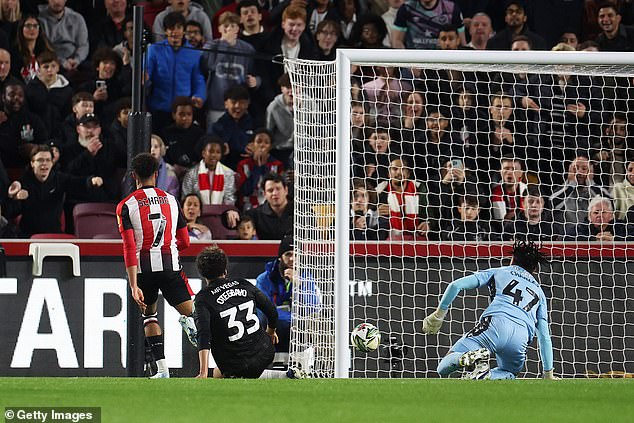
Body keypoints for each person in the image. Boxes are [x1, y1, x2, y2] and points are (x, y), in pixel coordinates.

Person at [422, 239, 560, 380]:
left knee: (443, 367)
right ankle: (486, 375)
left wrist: (438, 315)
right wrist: (548, 373)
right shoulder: (540, 292)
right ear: (535, 269)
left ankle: (466, 358)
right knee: (510, 373)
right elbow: (544, 336)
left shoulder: (499, 272)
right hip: (521, 338)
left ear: (512, 260)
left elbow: (455, 285)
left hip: (495, 326)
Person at [116, 152, 198, 379]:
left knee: (149, 317)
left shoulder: (125, 205)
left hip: (143, 270)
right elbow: (185, 242)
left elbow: (129, 247)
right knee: (194, 314)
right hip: (169, 265)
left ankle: (162, 370)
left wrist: (134, 285)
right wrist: (168, 248)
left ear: (133, 176)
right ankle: (192, 327)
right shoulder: (171, 201)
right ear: (156, 173)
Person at [193, 245, 279, 378]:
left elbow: (204, 334)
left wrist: (203, 372)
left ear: (202, 274)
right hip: (266, 352)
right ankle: (280, 375)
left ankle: (271, 376)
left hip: (236, 365)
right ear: (225, 270)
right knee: (246, 367)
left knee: (217, 373)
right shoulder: (242, 283)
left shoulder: (203, 298)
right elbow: (272, 311)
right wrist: (271, 332)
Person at [4, 144, 103, 237]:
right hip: (27, 236)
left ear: (52, 163)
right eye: (40, 160)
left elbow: (76, 183)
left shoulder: (59, 179)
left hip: (53, 235)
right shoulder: (23, 182)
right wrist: (16, 199)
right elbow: (10, 212)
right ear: (32, 163)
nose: (44, 164)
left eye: (48, 160)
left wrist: (91, 181)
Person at [255, 234, 320, 354]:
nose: (292, 259)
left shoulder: (306, 278)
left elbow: (312, 308)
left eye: (295, 254)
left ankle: (321, 367)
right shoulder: (264, 279)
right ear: (280, 257)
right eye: (288, 254)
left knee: (317, 322)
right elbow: (263, 312)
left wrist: (298, 285)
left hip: (299, 328)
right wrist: (292, 318)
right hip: (273, 327)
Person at [146, 11, 206, 133]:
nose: (174, 32)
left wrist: (199, 96)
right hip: (159, 108)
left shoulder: (194, 53)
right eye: (171, 28)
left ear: (184, 30)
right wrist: (144, 77)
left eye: (178, 27)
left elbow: (198, 79)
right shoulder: (154, 50)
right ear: (165, 31)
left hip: (183, 111)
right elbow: (146, 72)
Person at [201, 11, 258, 128]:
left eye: (233, 26)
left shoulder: (248, 49)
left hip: (239, 106)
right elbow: (209, 66)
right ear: (219, 29)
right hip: (216, 105)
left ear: (238, 28)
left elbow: (255, 73)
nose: (229, 29)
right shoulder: (210, 46)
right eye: (226, 26)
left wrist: (256, 81)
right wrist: (224, 43)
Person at [226, 172, 294, 240]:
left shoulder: (301, 212)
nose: (275, 193)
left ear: (286, 190)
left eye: (278, 189)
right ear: (265, 194)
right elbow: (236, 222)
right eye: (270, 190)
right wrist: (231, 214)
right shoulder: (256, 214)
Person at [181, 135, 237, 206]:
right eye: (211, 151)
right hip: (197, 214)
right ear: (203, 153)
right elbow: (186, 197)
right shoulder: (191, 173)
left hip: (220, 214)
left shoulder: (228, 173)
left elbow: (230, 199)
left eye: (218, 152)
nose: (214, 155)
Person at [38, 0, 89, 74]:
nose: (57, 2)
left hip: (76, 61)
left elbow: (83, 45)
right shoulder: (40, 20)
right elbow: (44, 47)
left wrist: (77, 60)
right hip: (52, 61)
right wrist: (62, 62)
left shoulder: (77, 18)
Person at [391, 0, 465, 50]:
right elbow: (396, 41)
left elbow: (462, 42)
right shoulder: (406, 8)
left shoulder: (451, 8)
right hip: (413, 62)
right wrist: (409, 63)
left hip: (444, 61)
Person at [11, 14, 55, 84]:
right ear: (21, 29)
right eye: (28, 26)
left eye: (35, 26)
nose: (32, 29)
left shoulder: (46, 50)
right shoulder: (14, 52)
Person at [563, 196, 630, 242]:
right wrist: (594, 239)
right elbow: (567, 238)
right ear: (589, 216)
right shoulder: (580, 228)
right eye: (595, 212)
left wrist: (614, 239)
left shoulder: (622, 226)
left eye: (603, 212)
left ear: (611, 215)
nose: (599, 215)